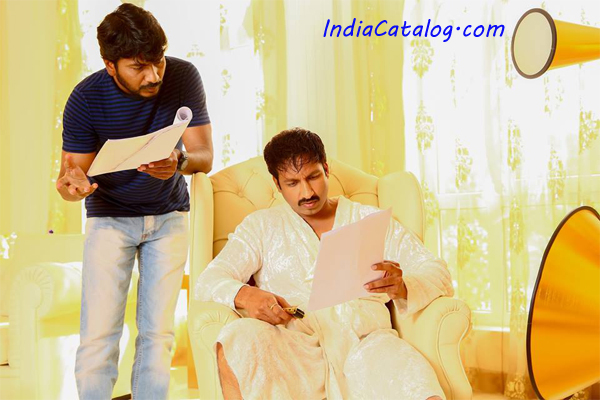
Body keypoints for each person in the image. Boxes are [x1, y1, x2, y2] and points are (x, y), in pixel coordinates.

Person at [195, 128, 454, 400]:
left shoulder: (371, 221)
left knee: (416, 382)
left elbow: (437, 271)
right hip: (295, 349)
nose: (307, 192)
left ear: (326, 169)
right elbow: (209, 279)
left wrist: (403, 285)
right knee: (238, 337)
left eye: (313, 177)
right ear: (277, 184)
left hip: (367, 347)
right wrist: (246, 295)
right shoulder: (260, 227)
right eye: (292, 183)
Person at [55, 4, 213, 399]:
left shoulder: (183, 76)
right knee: (99, 337)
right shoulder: (86, 98)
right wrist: (73, 186)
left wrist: (178, 161)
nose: (154, 75)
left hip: (169, 217)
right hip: (109, 219)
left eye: (158, 61)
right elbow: (69, 180)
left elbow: (204, 156)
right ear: (110, 65)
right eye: (139, 67)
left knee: (158, 337)